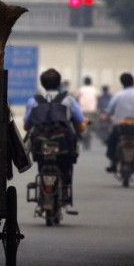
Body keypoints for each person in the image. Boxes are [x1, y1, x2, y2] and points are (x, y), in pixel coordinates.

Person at [24, 68, 87, 204]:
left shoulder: (33, 101)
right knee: (67, 163)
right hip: (63, 145)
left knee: (41, 160)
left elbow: (26, 126)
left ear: (42, 84)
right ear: (59, 84)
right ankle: (64, 188)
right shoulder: (69, 101)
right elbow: (80, 124)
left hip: (40, 145)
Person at [105, 72, 134, 172]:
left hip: (120, 126)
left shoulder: (118, 95)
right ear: (133, 82)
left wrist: (107, 116)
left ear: (122, 83)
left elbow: (110, 110)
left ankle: (113, 163)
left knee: (112, 141)